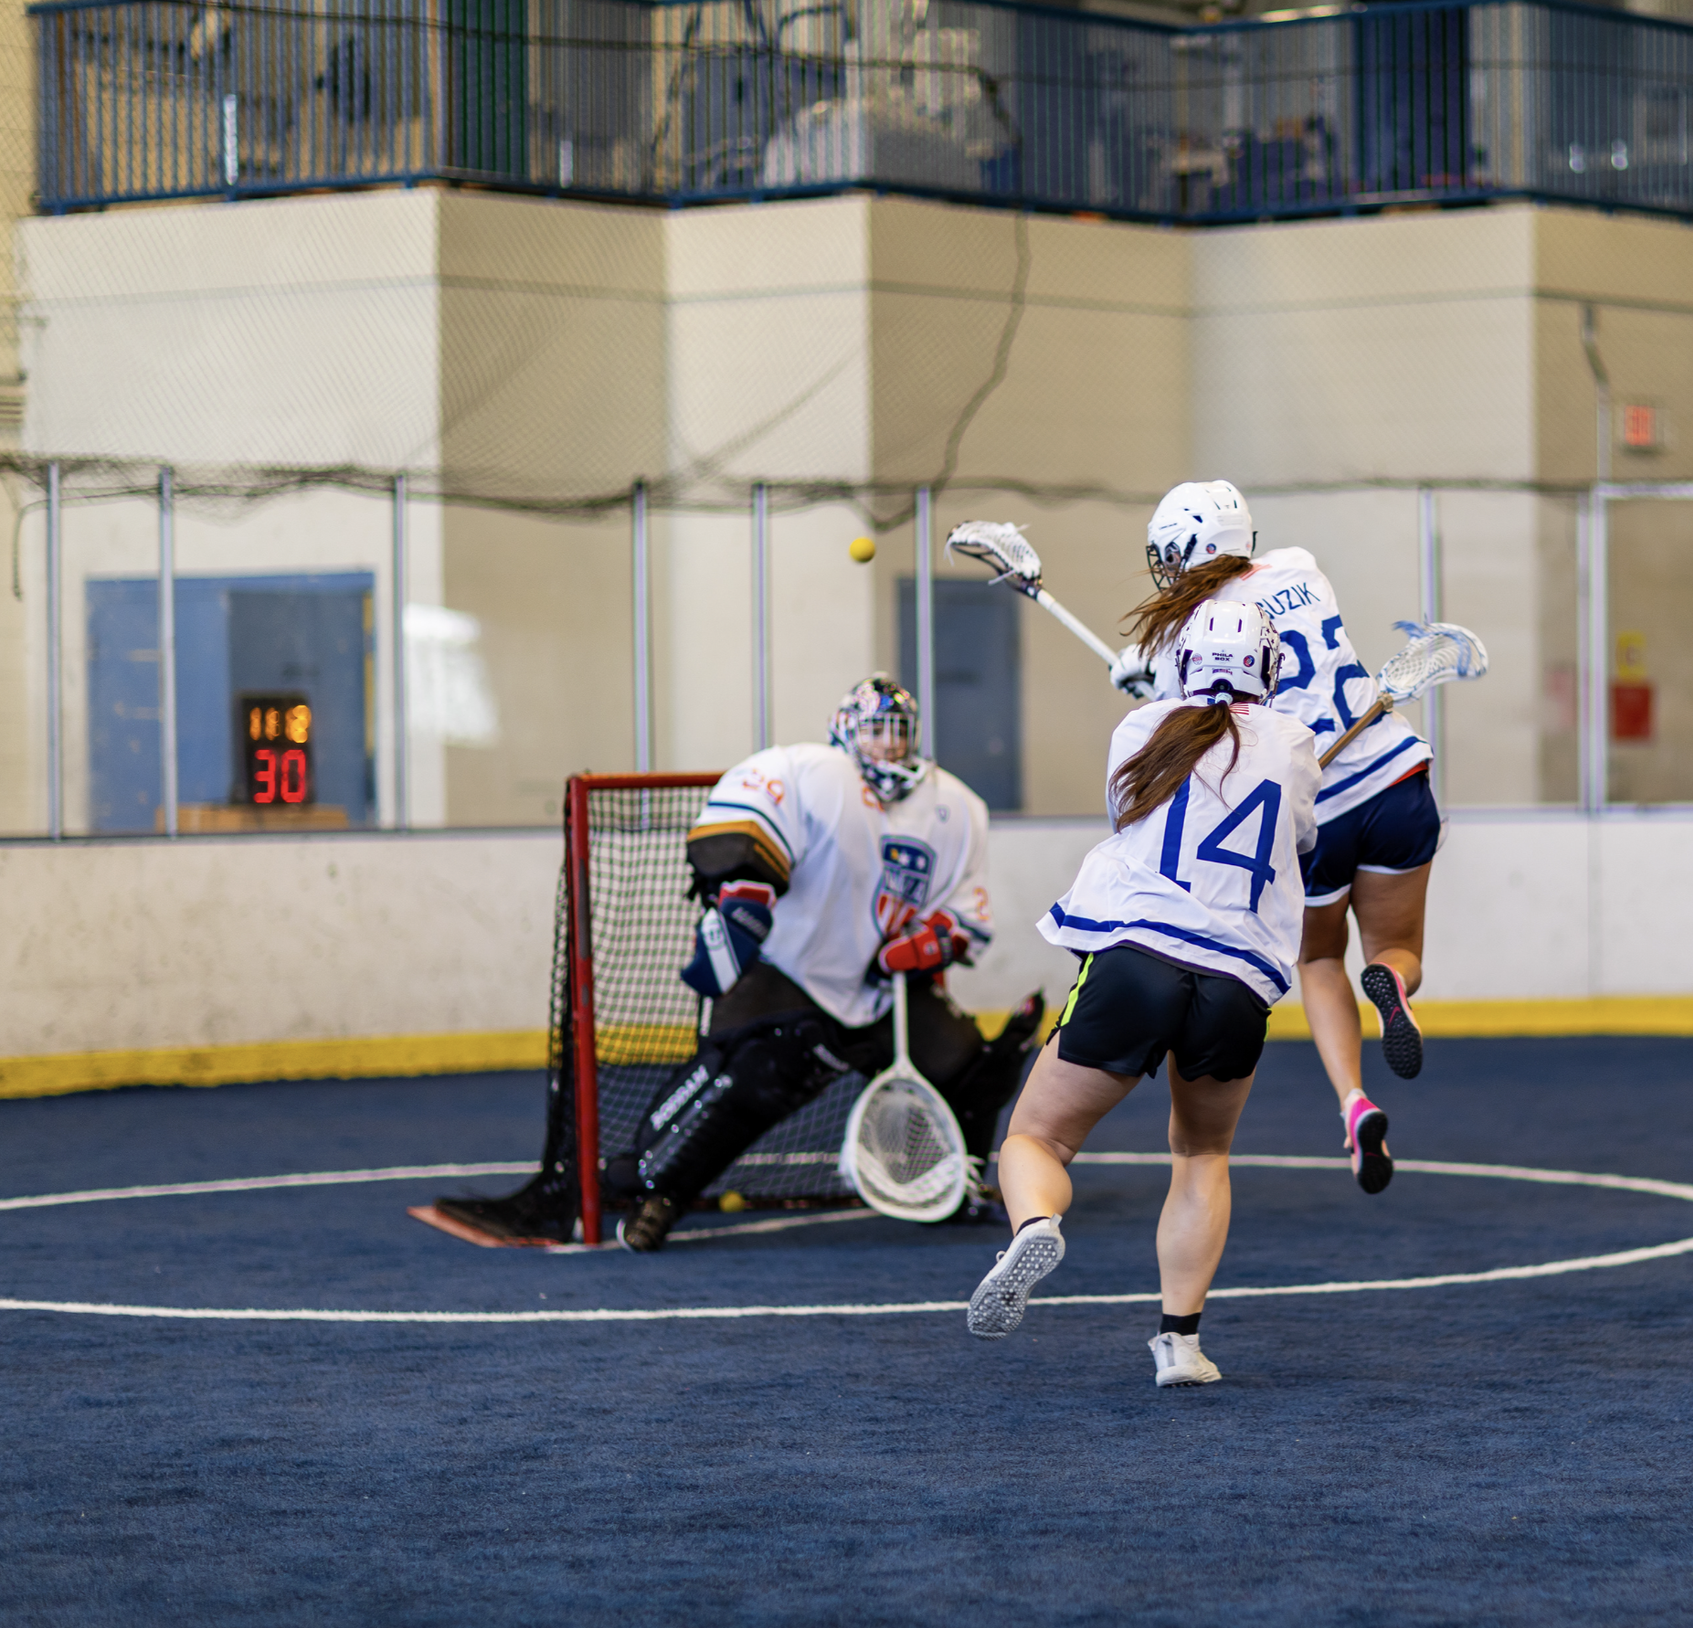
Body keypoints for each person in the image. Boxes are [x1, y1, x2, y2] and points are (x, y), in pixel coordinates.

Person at [429, 675, 1043, 1248]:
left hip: (882, 989)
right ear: (846, 731)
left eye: (897, 732)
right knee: (750, 1080)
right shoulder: (811, 771)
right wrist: (744, 890)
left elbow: (966, 913)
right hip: (788, 976)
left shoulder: (954, 806)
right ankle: (657, 1190)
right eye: (873, 730)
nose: (886, 744)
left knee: (971, 1061)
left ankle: (951, 1182)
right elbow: (744, 819)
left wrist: (931, 943)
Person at [969, 599, 1320, 1388]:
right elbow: (1302, 839)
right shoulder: (1297, 745)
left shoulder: (1140, 731)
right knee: (1202, 1153)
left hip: (1138, 959)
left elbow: (1138, 809)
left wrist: (1159, 699)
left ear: (1185, 665)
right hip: (1236, 982)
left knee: (1037, 1141)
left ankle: (1034, 1224)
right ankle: (1181, 1345)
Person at [1105, 480, 1432, 1196]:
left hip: (1316, 801)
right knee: (1395, 948)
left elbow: (1191, 717)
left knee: (1320, 957)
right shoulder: (1302, 568)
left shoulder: (1187, 630)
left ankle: (1353, 1101)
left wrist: (1149, 682)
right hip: (1395, 774)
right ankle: (1397, 986)